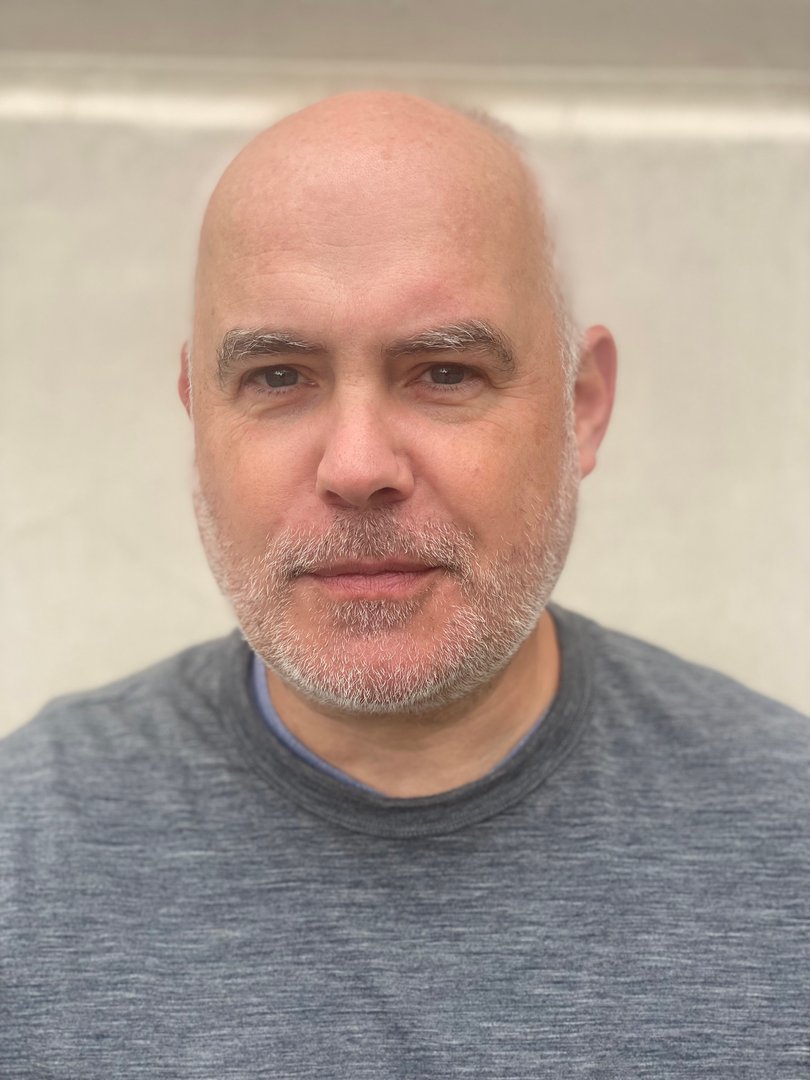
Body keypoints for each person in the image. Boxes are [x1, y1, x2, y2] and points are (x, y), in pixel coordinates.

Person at [1, 92, 807, 1078]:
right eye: (279, 377)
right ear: (197, 416)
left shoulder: (789, 837)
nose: (357, 466)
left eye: (445, 372)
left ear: (582, 409)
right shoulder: (24, 855)